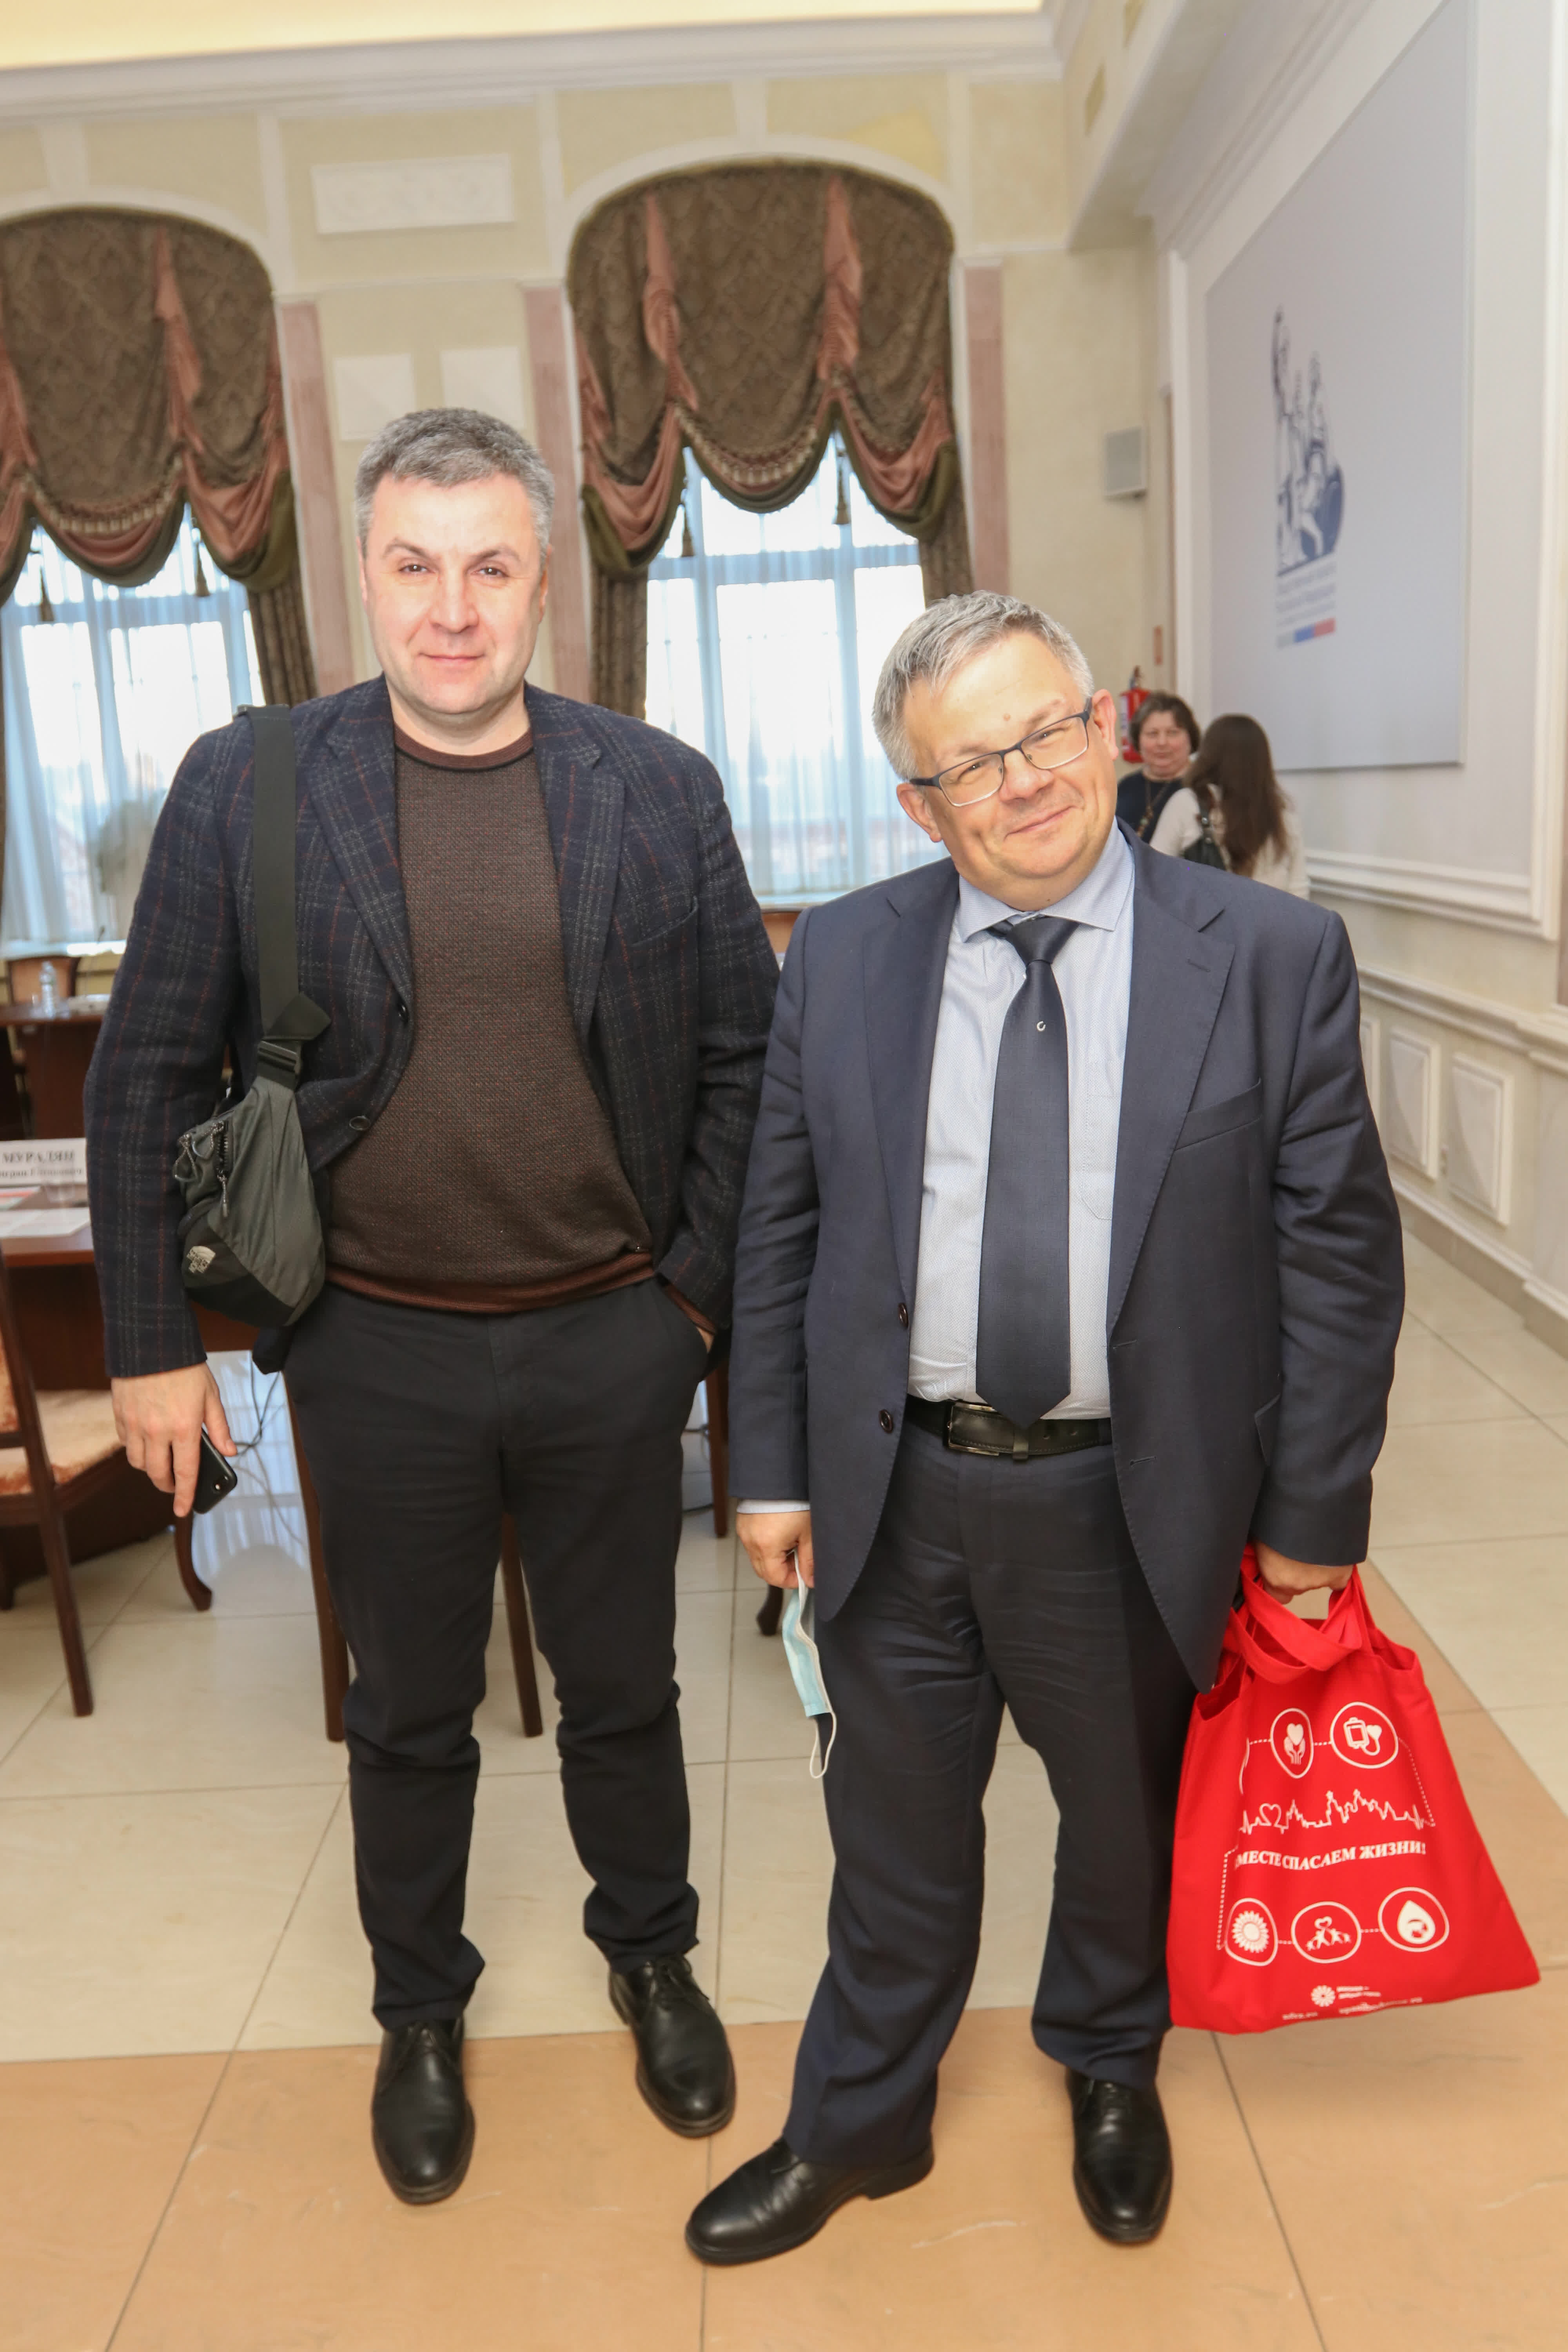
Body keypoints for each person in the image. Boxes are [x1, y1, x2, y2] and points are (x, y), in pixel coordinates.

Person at [85, 408, 779, 2205]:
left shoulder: (657, 787)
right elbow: (143, 1070)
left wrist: (689, 1307)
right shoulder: (249, 784)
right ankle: (418, 2009)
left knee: (623, 1684)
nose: (451, 608)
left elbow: (744, 1063)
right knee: (404, 1706)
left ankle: (652, 1956)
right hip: (372, 1340)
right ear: (361, 578)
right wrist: (152, 1342)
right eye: (413, 565)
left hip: (613, 1328)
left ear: (545, 583)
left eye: (489, 567)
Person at [686, 591, 1402, 2266]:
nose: (1020, 780)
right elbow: (777, 1231)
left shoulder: (1266, 956)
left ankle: (1104, 2059)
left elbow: (1336, 1259)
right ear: (916, 804)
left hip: (1130, 1499)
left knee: (1121, 1822)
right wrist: (768, 1465)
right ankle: (857, 2119)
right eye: (967, 763)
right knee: (891, 1841)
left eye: (1043, 731)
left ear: (1100, 726)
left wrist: (1310, 1518)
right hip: (896, 1489)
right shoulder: (842, 955)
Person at [1150, 712, 1308, 895]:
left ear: (1209, 757)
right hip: (1273, 914)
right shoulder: (1283, 814)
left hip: (1205, 913)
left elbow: (1154, 872)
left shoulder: (1187, 804)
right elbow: (1299, 890)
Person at [1114, 691, 1200, 838]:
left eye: (1173, 733)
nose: (1162, 743)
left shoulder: (1204, 788)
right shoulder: (1125, 787)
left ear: (1191, 738)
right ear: (1138, 740)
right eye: (1153, 734)